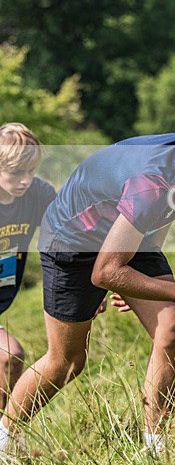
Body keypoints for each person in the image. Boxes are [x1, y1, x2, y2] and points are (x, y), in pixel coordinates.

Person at [0, 99, 175, 456]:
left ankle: (154, 448)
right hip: (71, 243)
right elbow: (105, 270)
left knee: (173, 330)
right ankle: (5, 437)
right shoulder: (152, 181)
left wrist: (136, 272)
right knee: (67, 363)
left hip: (124, 231)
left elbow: (164, 213)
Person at [0, 124, 56, 413]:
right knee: (10, 355)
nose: (25, 181)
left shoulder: (38, 194)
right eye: (16, 174)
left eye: (31, 172)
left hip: (4, 297)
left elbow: (67, 236)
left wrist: (91, 286)